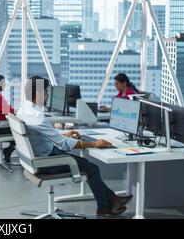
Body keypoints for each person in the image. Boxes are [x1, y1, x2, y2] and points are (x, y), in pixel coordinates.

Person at [17, 76, 133, 216]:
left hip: (35, 158)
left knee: (86, 164)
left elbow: (42, 136)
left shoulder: (24, 110)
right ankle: (104, 207)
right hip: (46, 162)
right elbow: (65, 145)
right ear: (39, 94)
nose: (48, 95)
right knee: (92, 169)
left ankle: (113, 199)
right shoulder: (37, 116)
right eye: (46, 92)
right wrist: (95, 143)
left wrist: (64, 134)